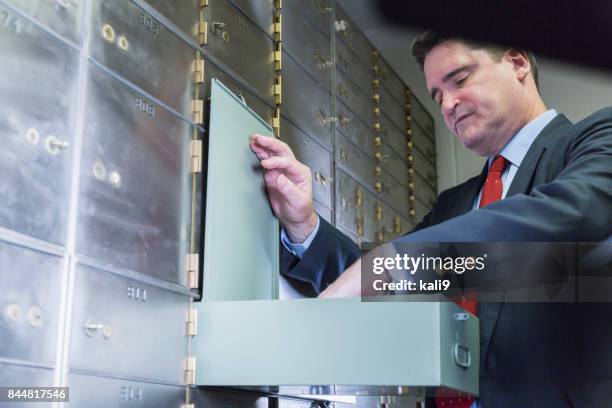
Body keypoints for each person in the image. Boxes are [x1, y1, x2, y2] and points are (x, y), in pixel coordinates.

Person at [250, 31, 612, 407]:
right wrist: (304, 224)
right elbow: (378, 282)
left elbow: (573, 214)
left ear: (518, 62)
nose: (449, 104)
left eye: (460, 79)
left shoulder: (597, 138)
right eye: (437, 96)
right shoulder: (455, 203)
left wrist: (396, 260)